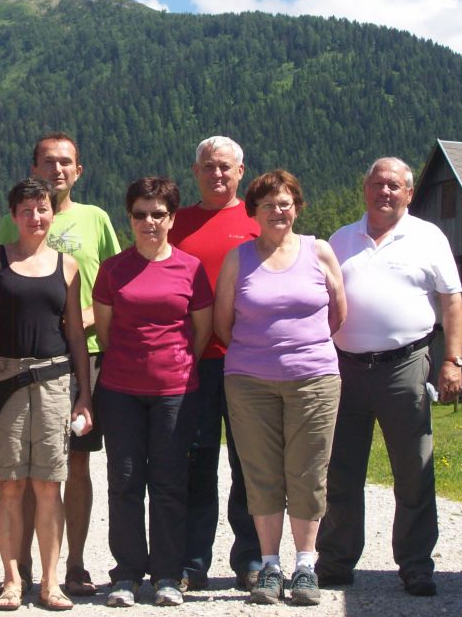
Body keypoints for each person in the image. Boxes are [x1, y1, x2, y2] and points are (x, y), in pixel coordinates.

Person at [315, 157, 462, 597]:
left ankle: (416, 564)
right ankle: (336, 561)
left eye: (394, 186)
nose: (385, 192)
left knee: (414, 468)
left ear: (409, 193)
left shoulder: (429, 237)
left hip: (406, 366)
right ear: (365, 189)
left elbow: (452, 303)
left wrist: (453, 360)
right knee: (340, 470)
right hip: (345, 367)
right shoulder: (340, 239)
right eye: (378, 184)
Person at [0, 132, 120, 597]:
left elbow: (114, 281)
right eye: (49, 162)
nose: (58, 170)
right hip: (29, 359)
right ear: (35, 168)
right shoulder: (16, 222)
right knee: (26, 474)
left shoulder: (96, 219)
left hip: (84, 354)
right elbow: (2, 284)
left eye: (66, 163)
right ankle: (22, 567)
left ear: (79, 171)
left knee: (77, 467)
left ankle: (75, 564)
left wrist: (85, 317)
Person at [214, 169, 346, 606]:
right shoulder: (239, 258)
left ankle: (305, 565)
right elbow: (222, 323)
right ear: (253, 211)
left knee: (308, 473)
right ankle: (270, 566)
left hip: (314, 378)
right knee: (261, 473)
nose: (278, 211)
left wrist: (299, 350)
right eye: (268, 204)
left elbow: (337, 314)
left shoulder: (319, 251)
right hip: (250, 382)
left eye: (285, 203)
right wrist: (261, 353)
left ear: (298, 207)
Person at [0, 177, 92, 611]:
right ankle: (11, 579)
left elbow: (76, 333)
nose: (35, 218)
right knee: (10, 484)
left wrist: (84, 396)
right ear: (13, 216)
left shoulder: (69, 266)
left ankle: (51, 582)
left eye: (42, 209)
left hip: (56, 382)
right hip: (4, 380)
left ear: (51, 213)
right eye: (26, 210)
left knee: (48, 485)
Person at [92, 177, 213, 608]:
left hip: (175, 392)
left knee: (169, 482)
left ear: (172, 218)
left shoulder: (191, 268)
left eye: (158, 214)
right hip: (120, 390)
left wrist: (174, 366)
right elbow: (106, 331)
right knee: (124, 482)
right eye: (140, 214)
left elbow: (201, 331)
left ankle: (166, 573)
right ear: (130, 218)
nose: (149, 222)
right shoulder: (113, 269)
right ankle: (126, 574)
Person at [167, 136, 263, 592]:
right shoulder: (176, 223)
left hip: (247, 360)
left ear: (241, 171)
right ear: (195, 171)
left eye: (225, 166)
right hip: (192, 362)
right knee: (197, 462)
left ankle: (251, 558)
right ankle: (191, 562)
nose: (217, 174)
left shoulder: (257, 220)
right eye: (208, 166)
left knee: (249, 463)